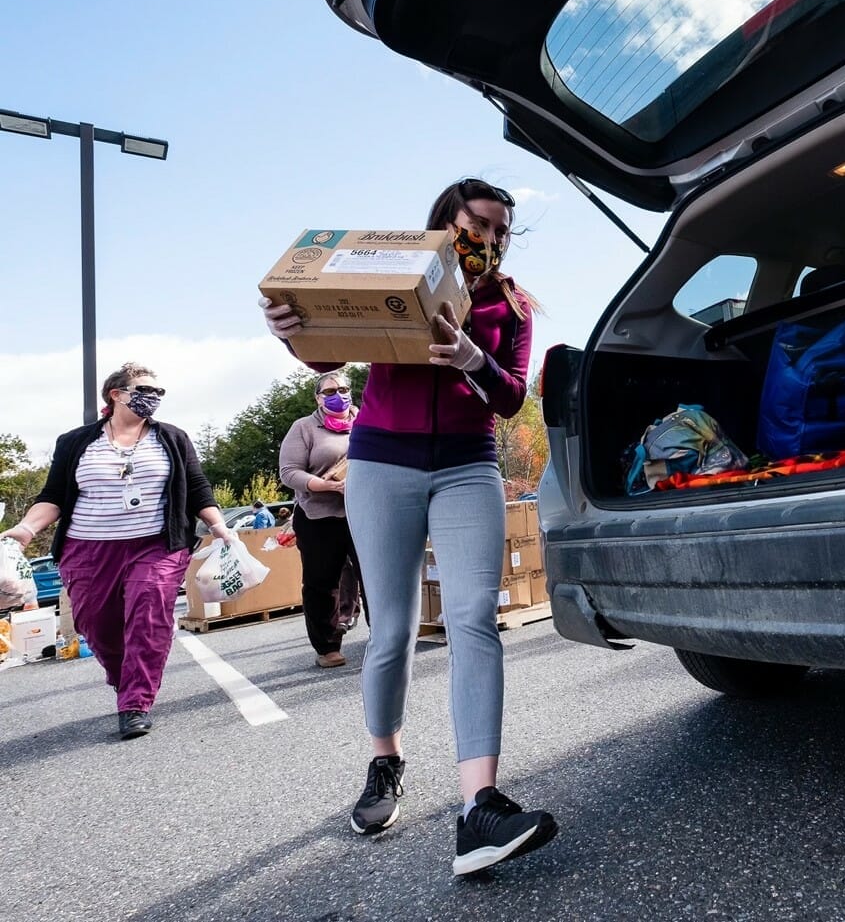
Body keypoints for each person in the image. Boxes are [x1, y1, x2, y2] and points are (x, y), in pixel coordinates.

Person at [262, 177, 556, 875]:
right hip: (381, 464)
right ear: (447, 219)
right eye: (478, 223)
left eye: (501, 230)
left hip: (466, 464)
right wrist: (292, 333)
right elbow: (329, 352)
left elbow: (513, 396)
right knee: (390, 627)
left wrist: (471, 358)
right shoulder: (399, 275)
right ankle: (384, 761)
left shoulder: (511, 304)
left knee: (473, 620)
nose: (489, 238)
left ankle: (478, 805)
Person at [0, 363, 236, 739]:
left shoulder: (172, 438)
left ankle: (135, 702)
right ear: (116, 394)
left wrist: (220, 525)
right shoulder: (76, 442)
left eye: (159, 392)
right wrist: (26, 529)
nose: (153, 398)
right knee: (98, 626)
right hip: (88, 550)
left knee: (149, 613)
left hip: (155, 546)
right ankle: (124, 678)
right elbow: (54, 496)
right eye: (145, 389)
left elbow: (197, 486)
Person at [278, 370, 363, 669]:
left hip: (364, 512)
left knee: (376, 576)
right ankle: (327, 647)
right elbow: (289, 472)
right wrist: (325, 485)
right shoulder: (304, 428)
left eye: (342, 389)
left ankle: (386, 638)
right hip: (319, 515)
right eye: (329, 391)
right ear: (317, 398)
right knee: (322, 583)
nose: (338, 395)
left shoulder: (366, 419)